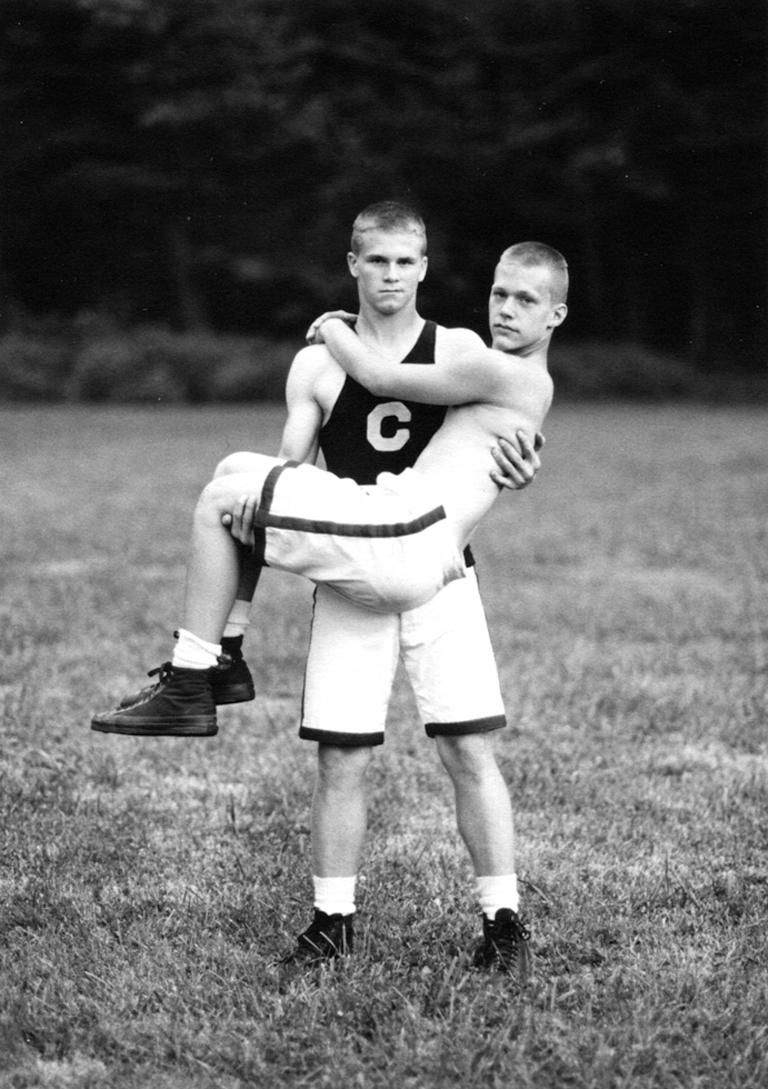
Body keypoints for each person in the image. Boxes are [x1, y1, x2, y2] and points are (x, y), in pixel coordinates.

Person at [93, 210, 567, 978]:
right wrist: (271, 503)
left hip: (427, 555)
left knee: (467, 747)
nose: (391, 274)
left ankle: (201, 671)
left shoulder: (462, 350)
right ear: (353, 262)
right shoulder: (315, 368)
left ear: (424, 265)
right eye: (375, 258)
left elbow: (486, 420)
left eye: (406, 259)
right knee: (340, 754)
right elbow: (295, 464)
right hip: (359, 554)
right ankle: (331, 920)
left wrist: (525, 459)